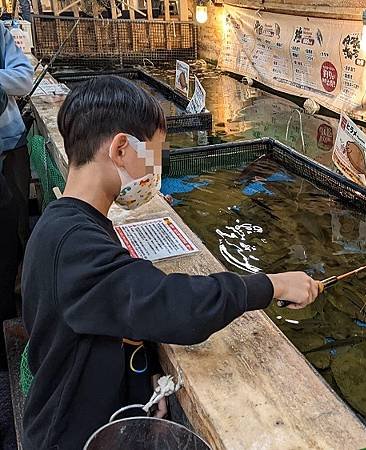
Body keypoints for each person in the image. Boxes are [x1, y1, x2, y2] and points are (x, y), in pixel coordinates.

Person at [21, 75, 321, 450]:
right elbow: (173, 304)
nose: (155, 170)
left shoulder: (69, 225)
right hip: (68, 437)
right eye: (154, 155)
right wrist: (270, 285)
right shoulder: (73, 247)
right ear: (120, 150)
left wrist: (139, 377)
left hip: (95, 414)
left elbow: (106, 316)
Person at [0, 21, 33, 370]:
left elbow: (24, 78)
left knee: (15, 228)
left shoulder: (0, 35)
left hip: (10, 146)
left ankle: (18, 310)